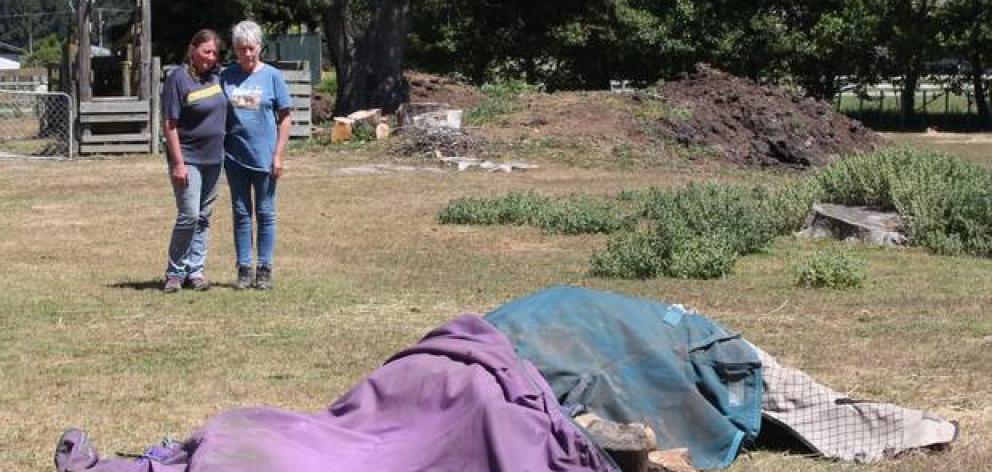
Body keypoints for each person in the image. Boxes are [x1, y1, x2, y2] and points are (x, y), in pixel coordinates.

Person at [221, 20, 292, 290]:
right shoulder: (226, 77)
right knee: (241, 213)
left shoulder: (272, 76)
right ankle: (243, 268)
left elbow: (285, 119)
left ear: (259, 47)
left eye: (251, 48)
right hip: (235, 158)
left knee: (265, 213)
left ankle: (264, 267)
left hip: (264, 158)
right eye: (241, 49)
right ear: (235, 50)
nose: (247, 54)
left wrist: (279, 155)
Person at [160, 29, 226, 293]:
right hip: (189, 158)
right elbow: (170, 124)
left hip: (214, 158)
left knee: (204, 217)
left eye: (214, 53)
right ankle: (175, 273)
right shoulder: (178, 79)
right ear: (192, 49)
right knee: (188, 215)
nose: (210, 58)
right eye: (206, 51)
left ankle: (195, 272)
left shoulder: (217, 78)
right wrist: (178, 163)